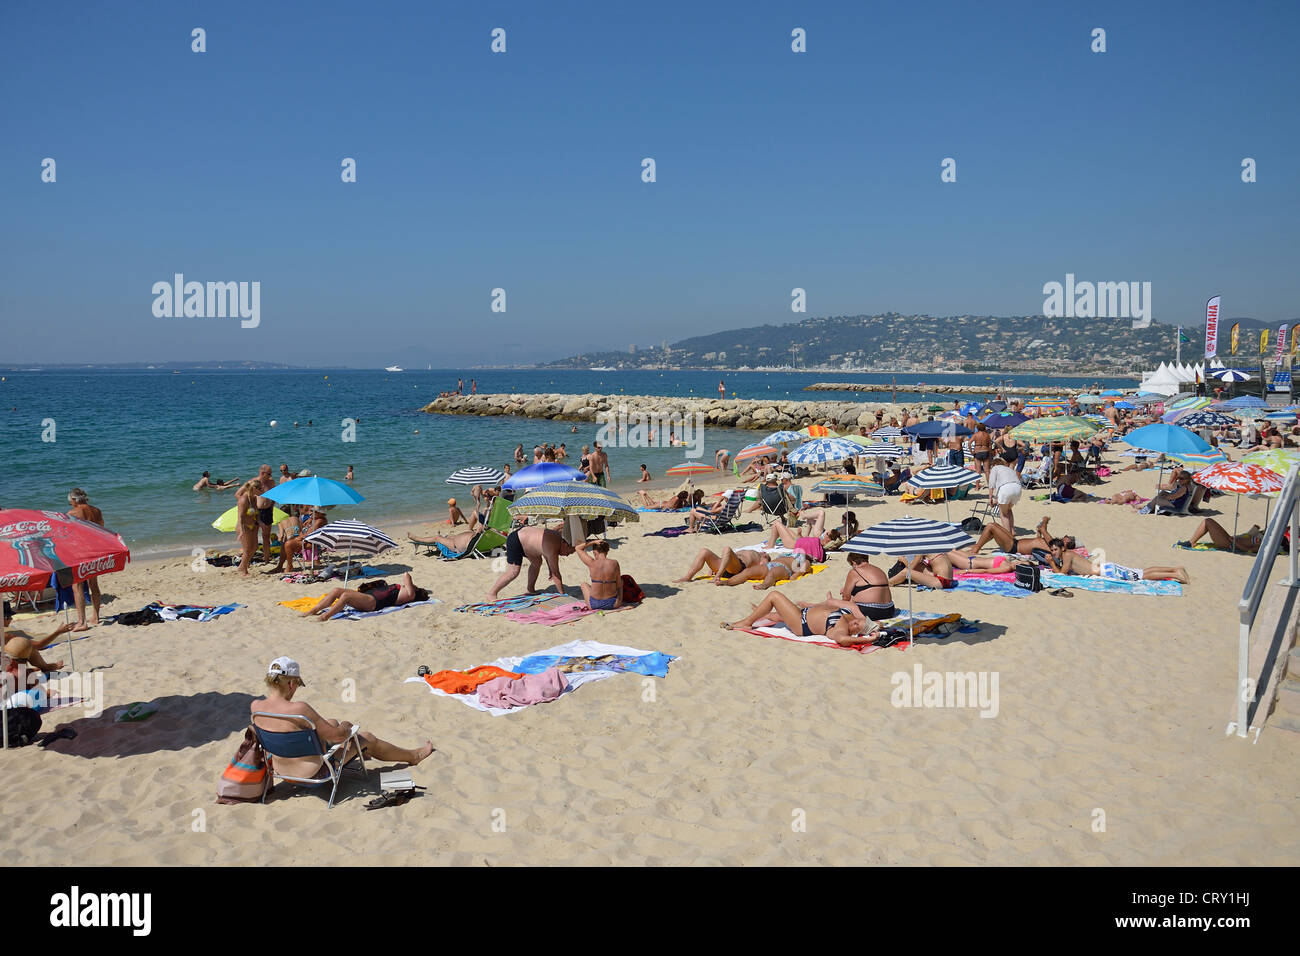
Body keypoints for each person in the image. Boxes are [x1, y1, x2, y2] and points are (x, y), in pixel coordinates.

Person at [252, 657, 433, 774]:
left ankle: (361, 751)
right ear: (291, 684)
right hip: (313, 772)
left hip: (282, 769)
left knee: (330, 722)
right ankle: (413, 756)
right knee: (366, 737)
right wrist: (346, 726)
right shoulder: (299, 709)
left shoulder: (256, 707)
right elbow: (339, 736)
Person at [721, 592, 872, 647]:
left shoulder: (841, 630)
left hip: (801, 623)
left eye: (856, 626)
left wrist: (866, 640)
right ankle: (763, 614)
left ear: (856, 633)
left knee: (775, 596)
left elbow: (842, 640)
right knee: (776, 615)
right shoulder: (852, 615)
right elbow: (850, 605)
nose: (854, 622)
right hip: (804, 612)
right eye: (858, 621)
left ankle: (747, 622)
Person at [487, 526, 575, 601]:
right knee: (513, 572)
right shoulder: (552, 548)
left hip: (525, 538)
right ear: (565, 544)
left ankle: (530, 589)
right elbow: (556, 574)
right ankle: (492, 593)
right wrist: (562, 595)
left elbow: (546, 553)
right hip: (516, 540)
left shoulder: (557, 536)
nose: (567, 555)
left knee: (537, 562)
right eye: (568, 553)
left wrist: (550, 568)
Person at [1045, 539, 1189, 582]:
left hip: (1107, 571)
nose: (1053, 552)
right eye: (1052, 551)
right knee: (1141, 572)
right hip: (1107, 569)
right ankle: (1174, 569)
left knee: (1141, 576)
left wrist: (1051, 562)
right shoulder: (1067, 556)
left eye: (1055, 550)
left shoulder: (1067, 556)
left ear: (1062, 549)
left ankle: (1176, 574)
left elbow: (1062, 574)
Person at [302, 572, 430, 621]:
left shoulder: (410, 594)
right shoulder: (407, 592)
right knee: (336, 590)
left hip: (373, 602)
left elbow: (406, 575)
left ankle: (325, 616)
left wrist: (414, 587)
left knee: (346, 596)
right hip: (367, 596)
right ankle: (314, 610)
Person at [66, 489, 105, 629]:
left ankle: (81, 622)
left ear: (75, 500)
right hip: (94, 550)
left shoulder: (72, 513)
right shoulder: (97, 511)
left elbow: (67, 534)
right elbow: (102, 529)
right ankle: (96, 616)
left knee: (77, 585)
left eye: (70, 500)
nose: (70, 503)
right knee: (93, 583)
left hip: (80, 551)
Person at [968, 516, 1077, 555]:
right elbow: (1040, 536)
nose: (1063, 537)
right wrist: (1040, 530)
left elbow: (1043, 530)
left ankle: (976, 548)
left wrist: (1045, 521)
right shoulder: (1052, 543)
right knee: (994, 526)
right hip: (1014, 541)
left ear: (1066, 543)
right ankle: (978, 546)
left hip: (1012, 547)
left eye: (1065, 538)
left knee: (991, 526)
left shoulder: (1054, 546)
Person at [834, 552, 896, 621]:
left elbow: (845, 597)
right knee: (852, 600)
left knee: (837, 609)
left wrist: (845, 598)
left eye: (851, 565)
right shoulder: (879, 570)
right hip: (889, 610)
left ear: (853, 562)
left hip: (871, 611)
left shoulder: (855, 571)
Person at [673, 544, 767, 584]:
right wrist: (712, 568)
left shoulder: (763, 557)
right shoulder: (751, 550)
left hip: (738, 568)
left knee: (727, 549)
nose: (764, 552)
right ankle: (688, 577)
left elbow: (764, 568)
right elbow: (727, 557)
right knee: (704, 551)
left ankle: (717, 576)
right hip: (726, 566)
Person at [274, 507, 328, 573]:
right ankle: (280, 566)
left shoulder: (320, 521)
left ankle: (289, 566)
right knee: (284, 544)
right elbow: (304, 530)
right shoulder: (315, 519)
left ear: (319, 513)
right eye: (311, 511)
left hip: (311, 543)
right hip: (306, 540)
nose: (310, 513)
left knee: (288, 544)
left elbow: (311, 534)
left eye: (313, 511)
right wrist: (309, 520)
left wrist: (299, 537)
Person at [573, 540, 622, 610]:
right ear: (607, 551)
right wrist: (618, 601)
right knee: (620, 580)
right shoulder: (614, 563)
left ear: (595, 552)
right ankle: (618, 601)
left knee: (584, 584)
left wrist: (593, 542)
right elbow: (619, 585)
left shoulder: (592, 562)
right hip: (612, 603)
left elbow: (578, 548)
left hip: (594, 605)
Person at [1181, 518, 1265, 553]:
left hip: (1230, 544)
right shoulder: (1264, 536)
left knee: (1208, 521)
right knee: (1208, 521)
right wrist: (1255, 529)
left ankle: (1191, 542)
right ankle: (1192, 541)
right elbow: (1249, 536)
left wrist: (1235, 542)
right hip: (1231, 540)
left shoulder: (1265, 545)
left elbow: (1248, 550)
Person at [987, 450, 1023, 532]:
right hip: (1017, 488)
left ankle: (1008, 534)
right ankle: (1012, 530)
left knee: (1003, 514)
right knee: (1008, 510)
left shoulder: (995, 468)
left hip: (1006, 488)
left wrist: (990, 498)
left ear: (994, 464)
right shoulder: (1008, 469)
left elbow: (991, 484)